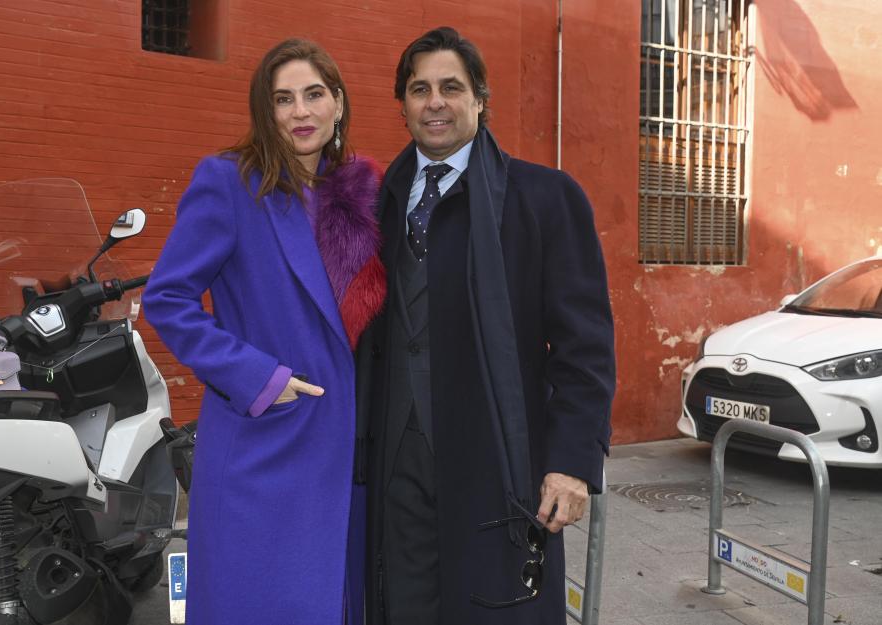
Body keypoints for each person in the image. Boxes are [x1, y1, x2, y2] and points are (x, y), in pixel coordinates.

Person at [359, 27, 616, 625]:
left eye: (452, 87)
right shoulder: (375, 205)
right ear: (402, 105)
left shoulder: (545, 198)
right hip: (395, 462)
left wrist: (573, 460)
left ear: (480, 98)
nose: (435, 102)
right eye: (419, 89)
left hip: (499, 461)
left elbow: (585, 347)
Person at [142, 38, 385, 625]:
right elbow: (167, 298)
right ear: (265, 111)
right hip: (265, 443)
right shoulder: (230, 183)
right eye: (283, 99)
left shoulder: (361, 194)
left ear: (339, 104)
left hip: (348, 454)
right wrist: (259, 378)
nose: (300, 112)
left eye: (314, 95)